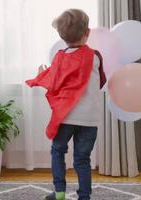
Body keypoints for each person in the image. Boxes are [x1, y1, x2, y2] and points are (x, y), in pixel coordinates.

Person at [26, 9, 106, 200]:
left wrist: (41, 74)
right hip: (89, 119)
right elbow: (102, 81)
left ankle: (60, 192)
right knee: (82, 159)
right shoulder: (95, 57)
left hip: (66, 116)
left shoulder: (61, 57)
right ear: (87, 33)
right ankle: (84, 196)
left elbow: (53, 82)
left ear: (62, 37)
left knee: (58, 151)